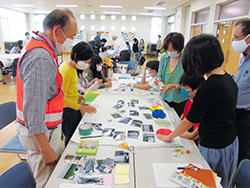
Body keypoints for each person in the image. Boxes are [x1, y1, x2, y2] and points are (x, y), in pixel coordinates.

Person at [157, 34, 239, 188]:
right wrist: (192, 135)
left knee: (210, 181)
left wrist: (170, 137)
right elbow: (212, 116)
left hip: (216, 145)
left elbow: (189, 120)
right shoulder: (226, 78)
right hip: (228, 141)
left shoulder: (208, 87)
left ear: (198, 61)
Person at [16, 9, 77, 187]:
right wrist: (45, 147)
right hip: (42, 133)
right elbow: (33, 108)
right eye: (71, 36)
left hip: (45, 130)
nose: (71, 42)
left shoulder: (40, 47)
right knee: (46, 181)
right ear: (57, 31)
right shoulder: (41, 57)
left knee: (48, 176)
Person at [59, 42, 97, 146]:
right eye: (85, 61)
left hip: (74, 106)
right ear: (76, 56)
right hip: (67, 110)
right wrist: (82, 108)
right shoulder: (65, 71)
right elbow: (62, 100)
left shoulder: (72, 68)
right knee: (71, 138)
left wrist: (78, 96)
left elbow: (70, 89)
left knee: (77, 134)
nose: (86, 64)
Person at [154, 32, 186, 117]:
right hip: (164, 97)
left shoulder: (186, 60)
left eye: (172, 49)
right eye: (167, 49)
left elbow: (189, 84)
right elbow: (159, 74)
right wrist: (158, 79)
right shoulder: (164, 58)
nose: (170, 52)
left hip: (179, 100)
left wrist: (174, 86)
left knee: (174, 122)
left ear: (179, 47)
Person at [232, 18, 250, 163]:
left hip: (247, 116)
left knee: (243, 151)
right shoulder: (244, 57)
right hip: (236, 111)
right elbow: (241, 81)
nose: (234, 41)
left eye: (237, 37)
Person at [178, 74, 205, 141]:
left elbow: (202, 132)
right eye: (182, 87)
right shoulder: (189, 101)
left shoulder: (202, 105)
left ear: (196, 89)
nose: (182, 90)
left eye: (185, 88)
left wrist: (192, 139)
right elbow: (183, 118)